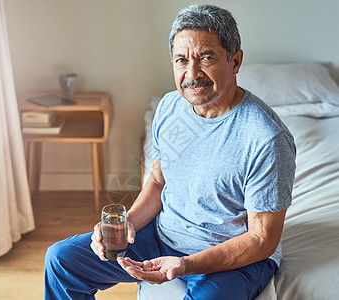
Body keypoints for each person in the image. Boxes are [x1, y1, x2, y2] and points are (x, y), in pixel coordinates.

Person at [44, 4, 296, 300]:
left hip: (232, 257)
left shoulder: (266, 139)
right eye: (181, 60)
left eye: (206, 57)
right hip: (164, 236)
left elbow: (262, 239)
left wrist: (186, 265)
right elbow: (158, 181)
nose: (192, 74)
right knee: (61, 260)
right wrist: (129, 225)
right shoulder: (171, 108)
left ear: (235, 60)